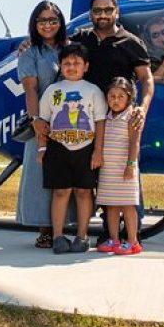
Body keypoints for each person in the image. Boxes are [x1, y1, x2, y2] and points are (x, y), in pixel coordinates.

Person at [70, 0, 154, 244]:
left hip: (120, 120)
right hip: (88, 119)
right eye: (97, 10)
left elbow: (147, 79)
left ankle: (131, 233)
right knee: (100, 178)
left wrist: (142, 108)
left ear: (117, 12)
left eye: (108, 10)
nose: (103, 14)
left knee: (126, 175)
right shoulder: (81, 39)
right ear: (91, 14)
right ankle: (109, 231)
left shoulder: (131, 42)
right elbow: (54, 45)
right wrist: (28, 43)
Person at [36, 42, 108, 254]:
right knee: (60, 192)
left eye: (77, 63)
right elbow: (43, 121)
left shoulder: (93, 90)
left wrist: (98, 151)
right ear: (60, 66)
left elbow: (101, 121)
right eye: (66, 63)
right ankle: (58, 236)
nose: (71, 66)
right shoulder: (53, 90)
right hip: (58, 147)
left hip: (86, 148)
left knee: (84, 192)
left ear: (86, 66)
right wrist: (42, 148)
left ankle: (82, 235)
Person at [16, 0, 70, 248]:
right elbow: (30, 89)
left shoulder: (72, 48)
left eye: (52, 20)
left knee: (69, 174)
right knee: (40, 175)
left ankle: (68, 225)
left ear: (60, 23)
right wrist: (36, 121)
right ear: (34, 24)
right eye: (42, 20)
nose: (47, 25)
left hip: (70, 120)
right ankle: (44, 228)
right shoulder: (30, 54)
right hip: (44, 120)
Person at [96, 77, 142, 255]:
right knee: (111, 205)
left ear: (129, 98)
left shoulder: (131, 116)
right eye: (112, 96)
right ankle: (114, 239)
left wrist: (130, 165)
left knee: (128, 205)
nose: (115, 100)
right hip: (109, 169)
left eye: (120, 96)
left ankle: (133, 241)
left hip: (125, 168)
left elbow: (134, 143)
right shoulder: (106, 117)